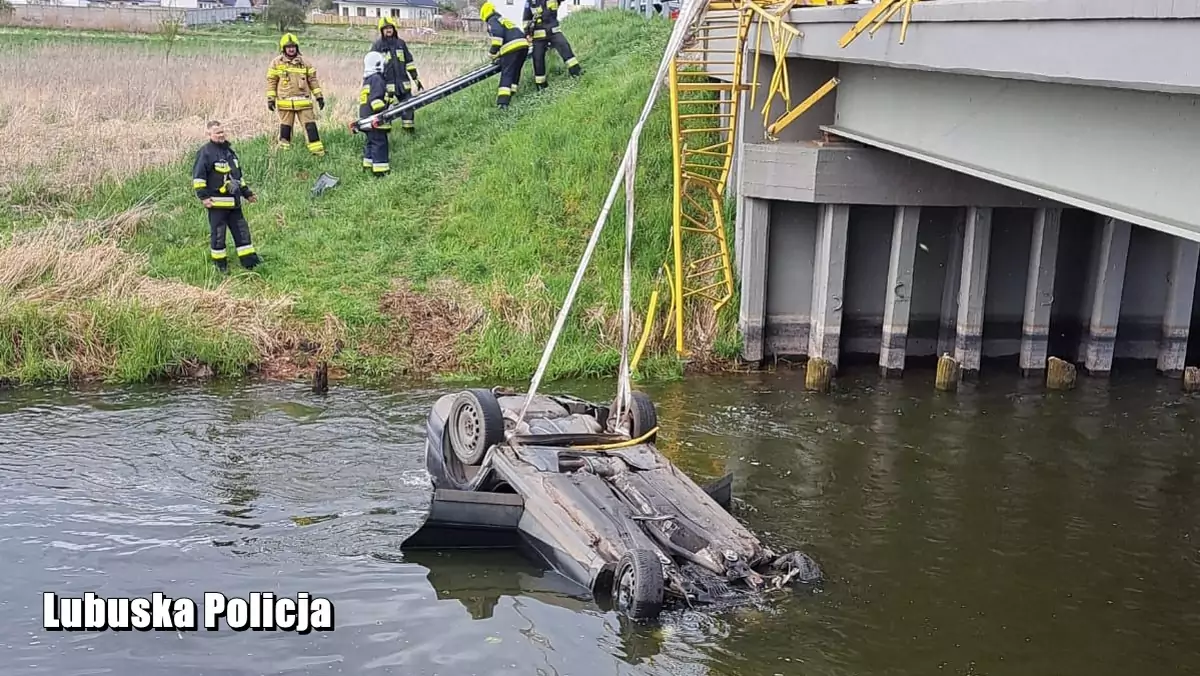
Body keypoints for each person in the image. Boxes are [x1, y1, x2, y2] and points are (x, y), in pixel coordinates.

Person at [191, 120, 261, 273]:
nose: (221, 135)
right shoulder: (205, 153)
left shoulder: (230, 152)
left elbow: (237, 177)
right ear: (209, 134)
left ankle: (249, 261)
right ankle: (220, 265)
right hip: (217, 204)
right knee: (218, 235)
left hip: (234, 203)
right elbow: (198, 178)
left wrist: (247, 193)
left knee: (242, 232)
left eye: (222, 132)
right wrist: (203, 197)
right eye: (217, 133)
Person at [266, 33, 326, 156]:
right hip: (285, 103)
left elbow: (313, 80)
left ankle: (317, 152)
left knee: (310, 127)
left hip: (304, 102)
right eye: (288, 47)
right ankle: (284, 153)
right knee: (285, 128)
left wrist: (319, 96)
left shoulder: (306, 63)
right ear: (283, 49)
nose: (291, 49)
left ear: (297, 47)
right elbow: (272, 81)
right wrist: (270, 99)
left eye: (293, 46)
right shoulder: (276, 63)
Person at [371, 17, 424, 133]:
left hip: (402, 84)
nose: (388, 30)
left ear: (394, 29)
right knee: (385, 111)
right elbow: (372, 68)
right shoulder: (377, 46)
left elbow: (409, 63)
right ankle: (385, 135)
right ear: (381, 31)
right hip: (386, 86)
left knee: (408, 107)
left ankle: (409, 132)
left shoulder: (401, 44)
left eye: (390, 27)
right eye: (385, 28)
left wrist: (416, 79)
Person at [523, 0, 581, 90]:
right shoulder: (530, 2)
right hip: (538, 36)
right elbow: (526, 19)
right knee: (538, 59)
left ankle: (577, 73)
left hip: (554, 32)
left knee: (565, 49)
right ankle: (541, 86)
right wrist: (527, 33)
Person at [481, 1, 529, 109]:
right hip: (523, 45)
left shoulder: (492, 20)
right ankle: (512, 93)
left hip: (512, 47)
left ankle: (502, 104)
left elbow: (498, 37)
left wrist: (492, 53)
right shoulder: (502, 19)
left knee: (507, 73)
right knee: (515, 70)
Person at [359, 52, 391, 177]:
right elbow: (376, 101)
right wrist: (387, 105)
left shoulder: (367, 80)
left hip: (365, 118)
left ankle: (368, 165)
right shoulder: (377, 79)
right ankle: (380, 170)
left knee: (371, 142)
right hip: (375, 118)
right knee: (380, 143)